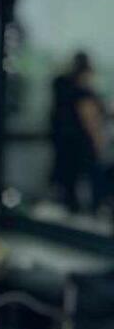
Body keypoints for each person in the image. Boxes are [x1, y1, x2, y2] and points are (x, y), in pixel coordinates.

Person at [48, 51, 109, 216]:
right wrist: (99, 142)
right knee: (93, 178)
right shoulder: (82, 92)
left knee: (69, 184)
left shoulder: (62, 87)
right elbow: (90, 120)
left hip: (64, 143)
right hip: (82, 144)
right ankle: (93, 210)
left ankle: (73, 210)